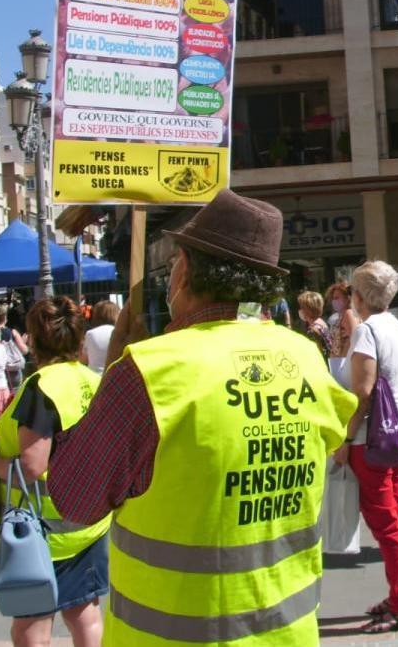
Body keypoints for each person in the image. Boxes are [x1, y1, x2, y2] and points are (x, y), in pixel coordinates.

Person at [48, 190, 356, 646]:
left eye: (174, 261)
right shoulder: (304, 357)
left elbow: (74, 499)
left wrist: (114, 367)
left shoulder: (150, 370)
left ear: (186, 269)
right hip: (286, 635)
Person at [0, 297, 111, 647]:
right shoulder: (92, 382)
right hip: (89, 522)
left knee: (31, 627)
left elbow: (32, 467)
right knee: (84, 614)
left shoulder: (41, 388)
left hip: (45, 532)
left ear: (33, 341)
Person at [334, 261, 398, 633]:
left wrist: (344, 439)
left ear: (357, 296)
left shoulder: (367, 331)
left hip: (373, 435)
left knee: (384, 521)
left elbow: (364, 392)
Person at [0, 303, 29, 391]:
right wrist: (23, 342)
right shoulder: (13, 332)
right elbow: (24, 351)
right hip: (14, 371)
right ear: (5, 318)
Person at [80, 300, 118, 375]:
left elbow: (83, 360)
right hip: (115, 376)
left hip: (94, 377)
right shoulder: (118, 333)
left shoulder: (90, 334)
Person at [327, 281, 360, 359]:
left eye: (337, 298)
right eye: (333, 298)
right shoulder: (341, 316)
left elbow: (354, 339)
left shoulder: (349, 313)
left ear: (347, 298)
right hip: (339, 361)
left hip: (344, 361)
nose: (334, 301)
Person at [297, 290, 333, 360]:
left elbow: (315, 355)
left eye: (302, 307)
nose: (300, 310)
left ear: (308, 309)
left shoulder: (313, 330)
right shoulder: (321, 322)